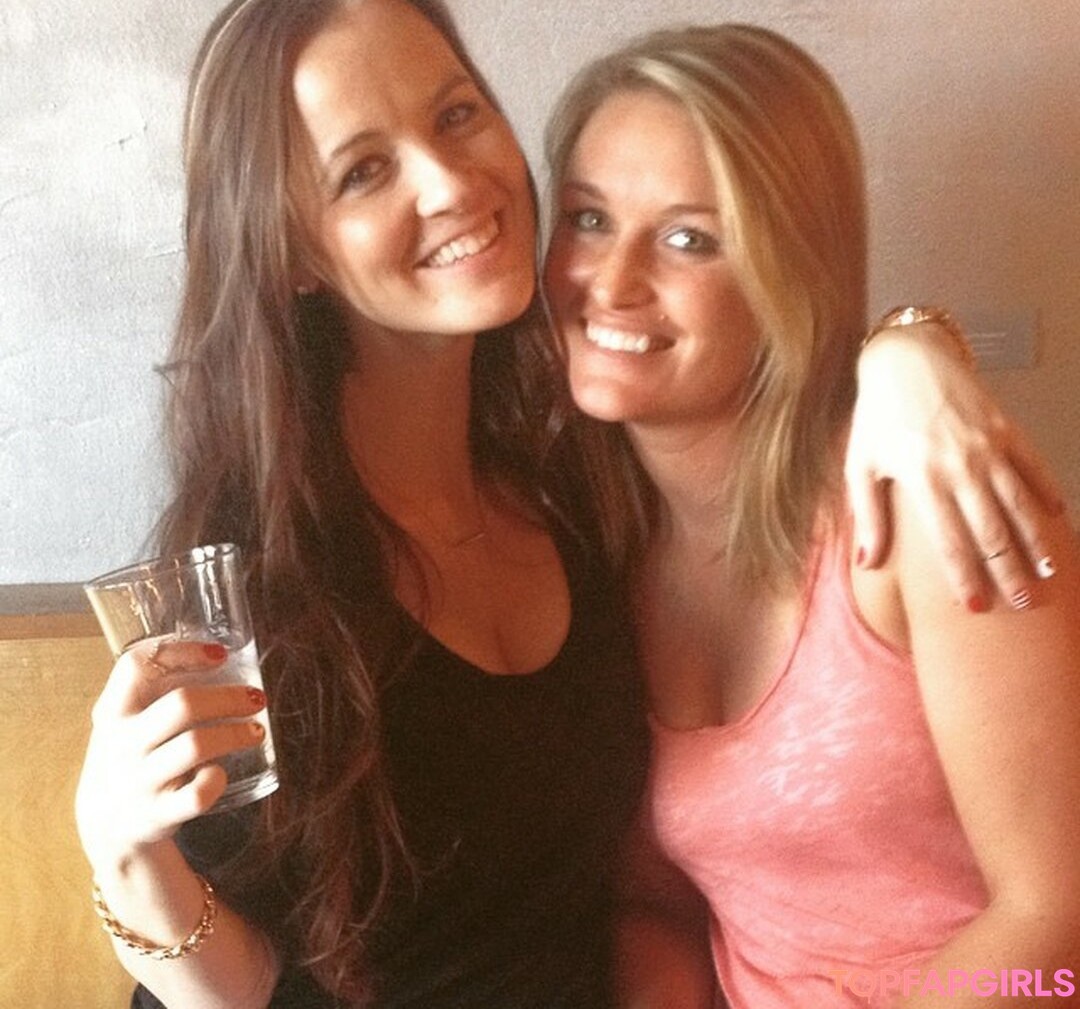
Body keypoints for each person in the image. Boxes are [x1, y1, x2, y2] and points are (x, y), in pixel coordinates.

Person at [73, 2, 1063, 1007]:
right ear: (288, 249)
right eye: (364, 170)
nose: (451, 184)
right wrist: (121, 853)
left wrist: (907, 344)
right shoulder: (262, 574)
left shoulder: (581, 501)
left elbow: (1052, 930)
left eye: (456, 115)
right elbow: (236, 989)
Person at [543, 22, 1080, 1009]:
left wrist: (907, 343)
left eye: (689, 238)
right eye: (587, 218)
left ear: (788, 268)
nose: (610, 282)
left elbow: (1055, 926)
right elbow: (656, 904)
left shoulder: (927, 502)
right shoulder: (587, 542)